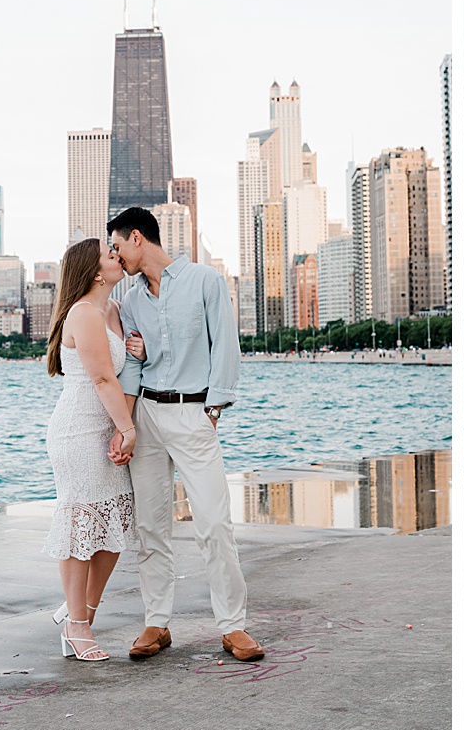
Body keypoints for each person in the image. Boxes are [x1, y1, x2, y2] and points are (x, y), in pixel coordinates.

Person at [107, 207, 265, 663]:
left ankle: (232, 625)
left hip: (195, 413)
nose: (116, 257)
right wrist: (128, 425)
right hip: (149, 416)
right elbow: (136, 364)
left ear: (138, 238)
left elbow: (227, 348)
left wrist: (213, 409)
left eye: (118, 246)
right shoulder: (131, 299)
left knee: (214, 523)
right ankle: (156, 622)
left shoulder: (205, 281)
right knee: (150, 526)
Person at [43, 237, 138, 661]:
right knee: (81, 525)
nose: (118, 257)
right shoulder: (82, 313)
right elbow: (101, 379)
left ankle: (81, 614)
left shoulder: (114, 311)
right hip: (79, 432)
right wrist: (128, 429)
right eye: (110, 254)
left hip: (109, 428)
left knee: (112, 529)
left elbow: (123, 370)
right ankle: (77, 627)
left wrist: (141, 351)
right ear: (96, 271)